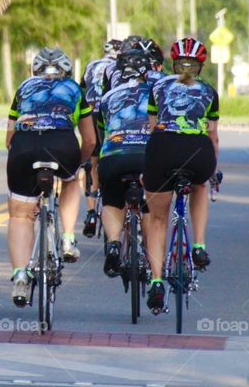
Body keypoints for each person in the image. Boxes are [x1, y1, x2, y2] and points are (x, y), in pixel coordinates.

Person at [6, 47, 96, 306]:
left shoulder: (23, 87)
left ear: (35, 71)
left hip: (24, 146)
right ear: (66, 71)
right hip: (63, 145)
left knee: (20, 215)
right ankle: (68, 239)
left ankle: (21, 274)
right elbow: (90, 140)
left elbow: (9, 138)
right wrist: (77, 163)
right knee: (70, 180)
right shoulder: (75, 90)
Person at [143, 37, 220, 312]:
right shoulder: (210, 91)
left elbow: (153, 127)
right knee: (200, 184)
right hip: (198, 151)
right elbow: (213, 136)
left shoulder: (157, 87)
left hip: (163, 149)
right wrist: (213, 169)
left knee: (157, 219)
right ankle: (198, 245)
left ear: (173, 64)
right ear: (201, 65)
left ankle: (155, 281)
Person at [97, 48, 153, 277]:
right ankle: (152, 255)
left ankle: (113, 243)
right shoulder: (156, 93)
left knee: (111, 199)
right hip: (147, 158)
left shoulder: (107, 97)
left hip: (114, 155)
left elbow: (101, 137)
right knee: (151, 207)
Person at [79, 38, 121, 237]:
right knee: (110, 155)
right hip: (107, 113)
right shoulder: (118, 67)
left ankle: (90, 212)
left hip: (90, 112)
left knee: (92, 163)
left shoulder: (91, 65)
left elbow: (82, 88)